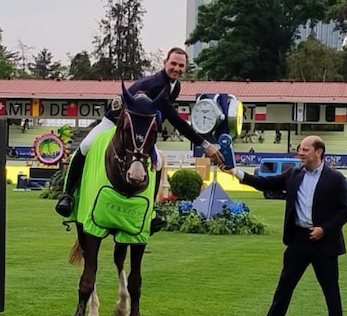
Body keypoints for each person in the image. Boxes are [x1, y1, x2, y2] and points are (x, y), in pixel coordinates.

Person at [54, 47, 225, 217]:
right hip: (114, 121)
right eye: (173, 63)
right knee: (85, 146)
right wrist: (204, 144)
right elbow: (176, 120)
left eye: (181, 66)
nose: (176, 69)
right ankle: (66, 195)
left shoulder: (176, 86)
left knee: (157, 163)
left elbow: (161, 117)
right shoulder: (158, 85)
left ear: (186, 67)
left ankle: (152, 209)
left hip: (138, 129)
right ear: (165, 62)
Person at [223, 135, 347, 316]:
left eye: (304, 149)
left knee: (331, 291)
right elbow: (264, 183)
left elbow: (344, 211)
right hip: (298, 241)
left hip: (324, 243)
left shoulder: (335, 178)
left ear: (318, 152)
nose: (300, 153)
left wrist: (324, 229)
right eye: (299, 149)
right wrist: (236, 172)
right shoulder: (294, 174)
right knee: (284, 287)